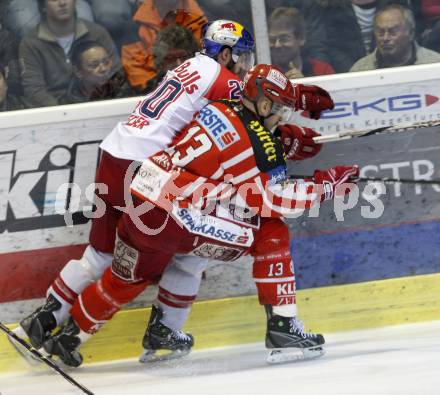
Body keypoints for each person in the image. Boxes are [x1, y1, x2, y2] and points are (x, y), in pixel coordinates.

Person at [40, 64, 358, 367]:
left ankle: (67, 340)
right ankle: (284, 327)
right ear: (263, 105)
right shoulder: (254, 144)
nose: (280, 117)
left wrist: (280, 137)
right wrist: (326, 187)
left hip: (140, 200)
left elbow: (228, 155)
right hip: (175, 218)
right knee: (270, 230)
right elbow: (268, 199)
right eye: (280, 110)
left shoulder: (216, 106)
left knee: (126, 278)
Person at [15, 19, 256, 362]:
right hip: (144, 171)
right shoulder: (226, 80)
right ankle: (131, 333)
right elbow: (257, 115)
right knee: (174, 258)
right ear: (228, 53)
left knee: (99, 254)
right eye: (242, 56)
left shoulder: (191, 65)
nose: (245, 65)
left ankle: (40, 321)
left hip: (113, 153)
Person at [19, 0, 120, 108]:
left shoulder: (97, 33)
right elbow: (34, 91)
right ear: (43, 7)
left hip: (99, 103)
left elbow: (116, 74)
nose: (62, 3)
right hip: (55, 112)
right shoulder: (31, 43)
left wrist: (97, 107)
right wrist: (65, 113)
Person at [121, 0, 207, 91]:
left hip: (197, 89)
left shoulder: (201, 19)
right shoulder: (134, 30)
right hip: (157, 95)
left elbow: (208, 67)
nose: (179, 65)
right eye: (170, 59)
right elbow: (142, 82)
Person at [350, 3, 440, 71]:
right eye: (380, 32)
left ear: (411, 33)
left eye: (392, 32)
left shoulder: (434, 64)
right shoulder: (360, 70)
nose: (385, 38)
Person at [268, 6, 335, 78]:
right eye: (272, 39)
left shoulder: (322, 71)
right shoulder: (261, 74)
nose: (277, 45)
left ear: (301, 38)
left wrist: (304, 84)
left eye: (284, 39)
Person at [61, 40, 133, 104]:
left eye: (106, 62)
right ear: (78, 71)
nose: (103, 69)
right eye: (94, 65)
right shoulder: (70, 103)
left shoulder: (124, 89)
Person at [142, 24, 199, 94]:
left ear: (193, 56)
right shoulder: (151, 91)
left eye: (183, 57)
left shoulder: (207, 84)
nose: (179, 64)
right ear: (160, 62)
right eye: (170, 59)